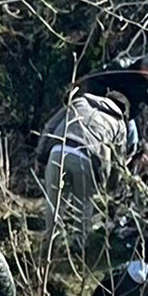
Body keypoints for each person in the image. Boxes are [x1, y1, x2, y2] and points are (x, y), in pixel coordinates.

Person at [35, 89, 134, 238]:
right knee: (83, 206)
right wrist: (110, 186)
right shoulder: (119, 124)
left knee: (54, 204)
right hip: (85, 158)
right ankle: (78, 247)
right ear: (124, 111)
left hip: (58, 151)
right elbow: (117, 162)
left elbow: (50, 126)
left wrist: (40, 157)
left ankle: (51, 243)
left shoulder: (80, 101)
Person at [81, 49, 148, 135]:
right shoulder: (120, 68)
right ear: (146, 67)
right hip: (104, 110)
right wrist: (104, 102)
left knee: (133, 139)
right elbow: (93, 80)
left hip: (126, 119)